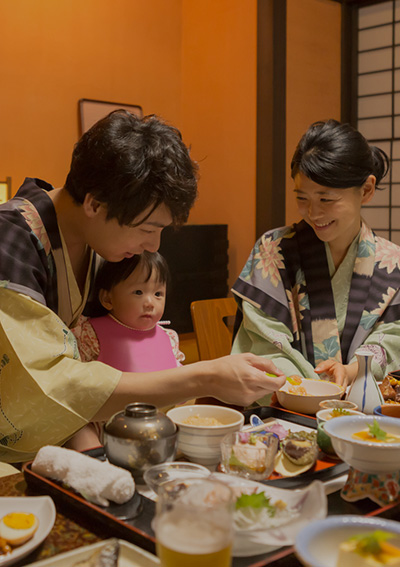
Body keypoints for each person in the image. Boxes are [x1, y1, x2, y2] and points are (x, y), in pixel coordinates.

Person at [0, 110, 285, 463]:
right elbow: (49, 381)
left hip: (66, 442)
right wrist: (204, 376)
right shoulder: (10, 238)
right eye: (148, 229)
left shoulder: (99, 243)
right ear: (94, 203)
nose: (154, 246)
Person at [232, 119, 400, 405]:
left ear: (367, 190)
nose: (313, 213)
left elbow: (393, 338)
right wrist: (313, 393)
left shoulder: (392, 264)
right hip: (287, 407)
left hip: (363, 411)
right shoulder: (273, 250)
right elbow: (264, 344)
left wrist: (354, 369)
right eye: (303, 198)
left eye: (326, 198)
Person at [68, 251, 183, 450]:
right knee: (77, 431)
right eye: (138, 292)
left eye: (158, 294)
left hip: (157, 428)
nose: (150, 302)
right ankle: (97, 465)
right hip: (105, 427)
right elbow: (75, 387)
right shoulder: (89, 332)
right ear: (108, 298)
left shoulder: (169, 337)